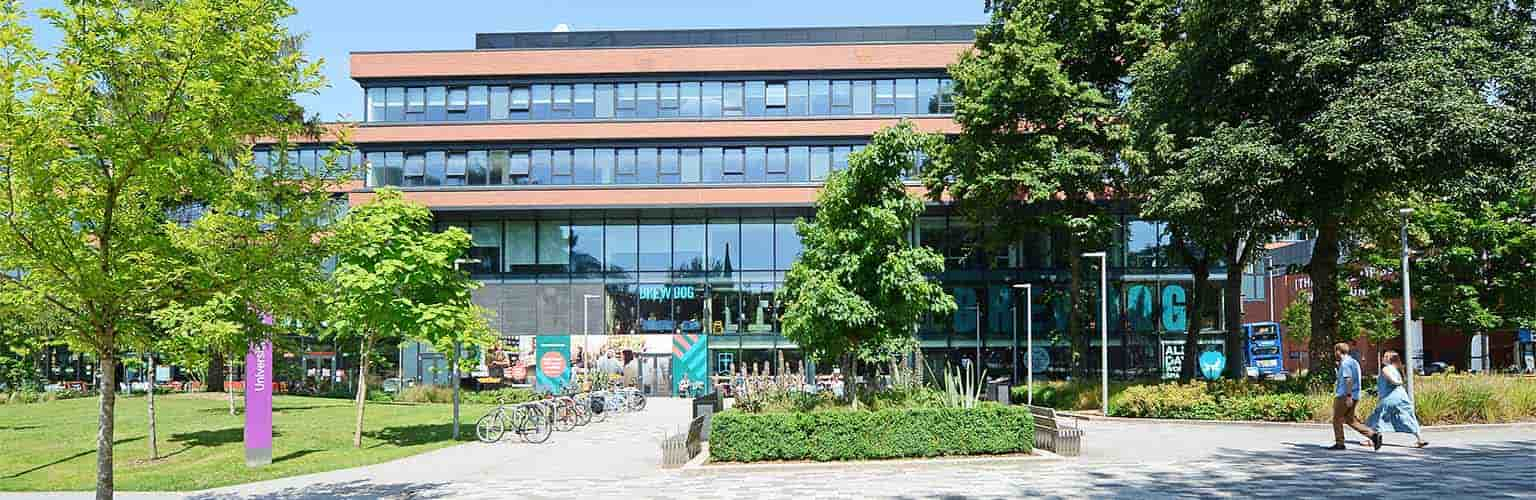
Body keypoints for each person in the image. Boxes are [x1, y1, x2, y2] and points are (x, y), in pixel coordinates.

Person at [1366, 350, 1428, 448]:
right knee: (1407, 416)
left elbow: (1391, 379)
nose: (1383, 358)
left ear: (1390, 359)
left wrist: (1395, 382)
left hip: (1390, 397)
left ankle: (1372, 440)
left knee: (1377, 417)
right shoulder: (1397, 369)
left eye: (1385, 357)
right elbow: (1399, 380)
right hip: (1402, 396)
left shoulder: (1385, 368)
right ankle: (1420, 438)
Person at [1330, 342, 1382, 450]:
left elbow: (1348, 380)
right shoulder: (1354, 362)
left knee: (1336, 419)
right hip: (1356, 395)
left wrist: (1348, 396)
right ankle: (1373, 435)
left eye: (1335, 351)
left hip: (1345, 395)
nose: (1335, 353)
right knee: (1350, 420)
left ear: (1339, 351)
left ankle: (1340, 443)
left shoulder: (1345, 364)